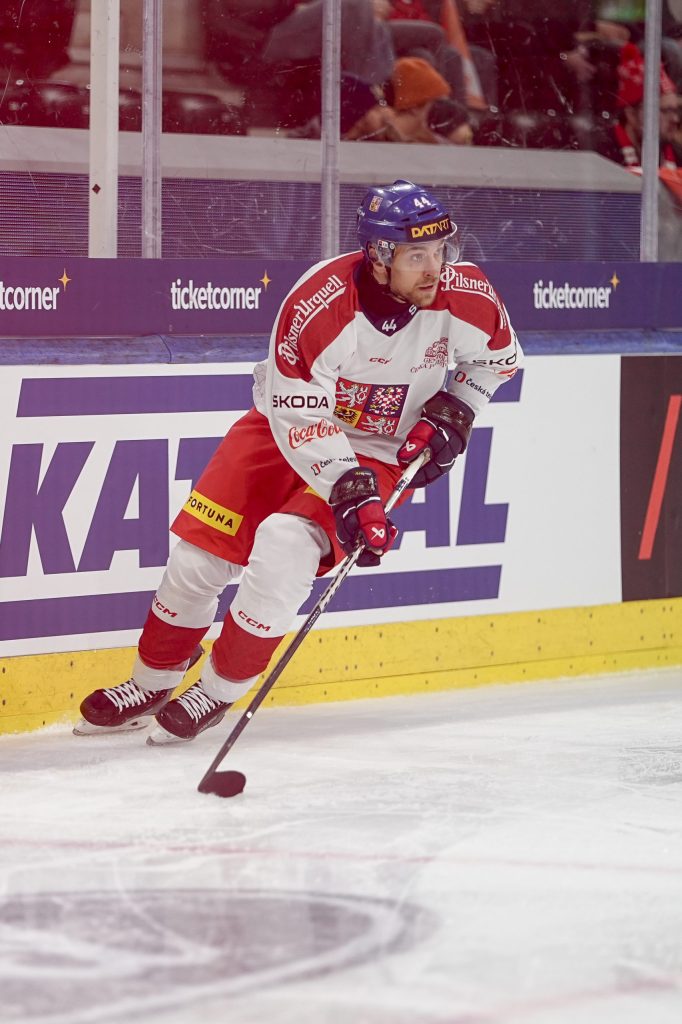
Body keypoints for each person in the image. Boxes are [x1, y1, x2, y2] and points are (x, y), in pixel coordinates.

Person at [75, 180, 522, 745]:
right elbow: (299, 409)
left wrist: (458, 407)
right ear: (379, 255)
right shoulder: (320, 302)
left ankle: (217, 688)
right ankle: (151, 682)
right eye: (417, 256)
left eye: (440, 251)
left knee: (287, 545)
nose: (435, 268)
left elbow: (499, 360)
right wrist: (347, 487)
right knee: (198, 557)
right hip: (283, 429)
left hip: (379, 448)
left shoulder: (466, 295)